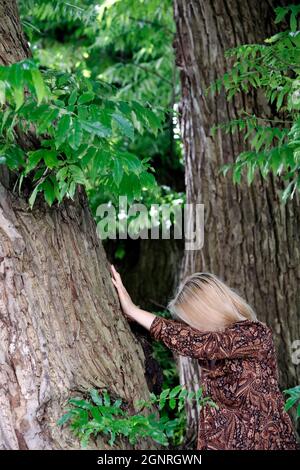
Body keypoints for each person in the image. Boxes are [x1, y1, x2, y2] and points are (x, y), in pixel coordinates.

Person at [111, 264, 298, 450]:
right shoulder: (211, 358)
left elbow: (199, 343)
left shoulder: (254, 334)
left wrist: (133, 310)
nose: (191, 329)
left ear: (206, 312)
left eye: (191, 322)